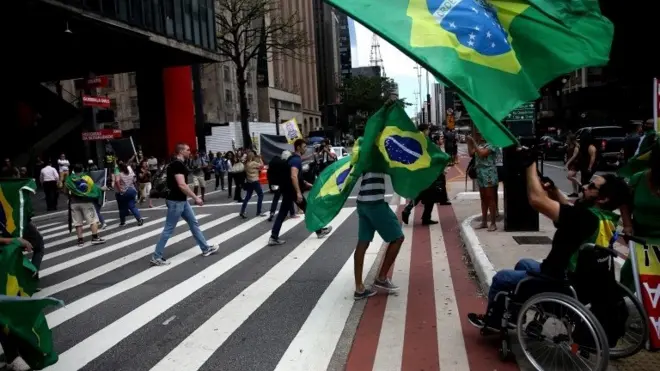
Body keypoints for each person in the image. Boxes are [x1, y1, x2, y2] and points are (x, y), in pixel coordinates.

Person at [467, 151, 630, 328]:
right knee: (524, 263)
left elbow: (537, 200)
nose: (584, 186)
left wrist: (530, 166)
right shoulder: (606, 219)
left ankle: (493, 323)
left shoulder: (585, 218)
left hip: (558, 280)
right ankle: (513, 316)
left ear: (603, 198)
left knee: (501, 278)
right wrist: (553, 191)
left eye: (591, 186)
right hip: (583, 281)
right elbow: (570, 212)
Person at [150, 143, 219, 266]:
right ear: (181, 151)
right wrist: (196, 197)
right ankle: (156, 256)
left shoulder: (175, 163)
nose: (189, 152)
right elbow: (181, 184)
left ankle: (205, 248)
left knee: (193, 223)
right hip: (176, 201)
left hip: (181, 200)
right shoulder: (177, 164)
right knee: (168, 229)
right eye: (187, 150)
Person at [269, 139, 332, 245]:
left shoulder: (293, 158)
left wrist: (306, 183)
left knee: (285, 213)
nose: (305, 149)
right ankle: (320, 231)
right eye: (304, 147)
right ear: (298, 147)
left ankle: (273, 237)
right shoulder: (296, 160)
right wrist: (298, 192)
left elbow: (297, 177)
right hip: (292, 191)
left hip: (288, 190)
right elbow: (293, 176)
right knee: (307, 209)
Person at [353, 172, 405, 299]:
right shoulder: (377, 152)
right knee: (398, 238)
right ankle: (381, 278)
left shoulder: (363, 153)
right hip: (374, 203)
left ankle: (359, 288)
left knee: (363, 242)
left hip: (362, 202)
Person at [620, 139, 660, 291]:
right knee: (628, 275)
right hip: (642, 240)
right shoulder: (637, 178)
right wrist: (627, 225)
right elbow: (625, 203)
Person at [66, 164, 106, 247]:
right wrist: (102, 189)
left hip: (74, 203)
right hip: (86, 202)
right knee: (93, 220)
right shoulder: (86, 178)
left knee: (78, 223)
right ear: (82, 169)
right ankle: (95, 238)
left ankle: (80, 240)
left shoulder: (69, 180)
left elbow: (64, 190)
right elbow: (93, 188)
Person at [467, 131, 499, 231]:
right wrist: (469, 143)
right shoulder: (480, 144)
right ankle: (484, 222)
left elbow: (481, 153)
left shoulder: (492, 144)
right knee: (483, 198)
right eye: (478, 134)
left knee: (490, 198)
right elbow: (471, 153)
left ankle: (493, 223)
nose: (479, 135)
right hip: (480, 173)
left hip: (489, 173)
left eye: (481, 134)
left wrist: (473, 141)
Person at [267, 150, 297, 221]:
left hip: (274, 183)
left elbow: (269, 174)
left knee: (275, 198)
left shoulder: (272, 163)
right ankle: (292, 213)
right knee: (288, 198)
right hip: (283, 184)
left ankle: (272, 212)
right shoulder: (285, 164)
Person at [114, 161, 143, 227]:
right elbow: (134, 179)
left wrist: (120, 190)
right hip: (132, 190)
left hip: (124, 192)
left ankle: (122, 221)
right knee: (132, 206)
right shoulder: (129, 169)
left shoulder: (118, 172)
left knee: (121, 207)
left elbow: (117, 181)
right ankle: (139, 219)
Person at [239, 151, 267, 219]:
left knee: (248, 196)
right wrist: (260, 158)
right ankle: (258, 212)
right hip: (255, 181)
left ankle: (242, 211)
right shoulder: (253, 163)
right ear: (252, 156)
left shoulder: (246, 163)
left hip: (249, 181)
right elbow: (262, 165)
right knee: (260, 195)